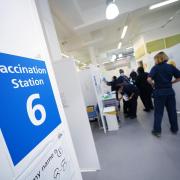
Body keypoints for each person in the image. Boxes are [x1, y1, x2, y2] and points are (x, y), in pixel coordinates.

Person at [147, 51, 180, 137]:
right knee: (172, 111)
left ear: (158, 59)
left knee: (158, 112)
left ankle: (157, 131)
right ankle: (174, 129)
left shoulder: (155, 68)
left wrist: (153, 84)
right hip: (169, 92)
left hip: (159, 93)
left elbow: (149, 79)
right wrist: (172, 82)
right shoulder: (171, 67)